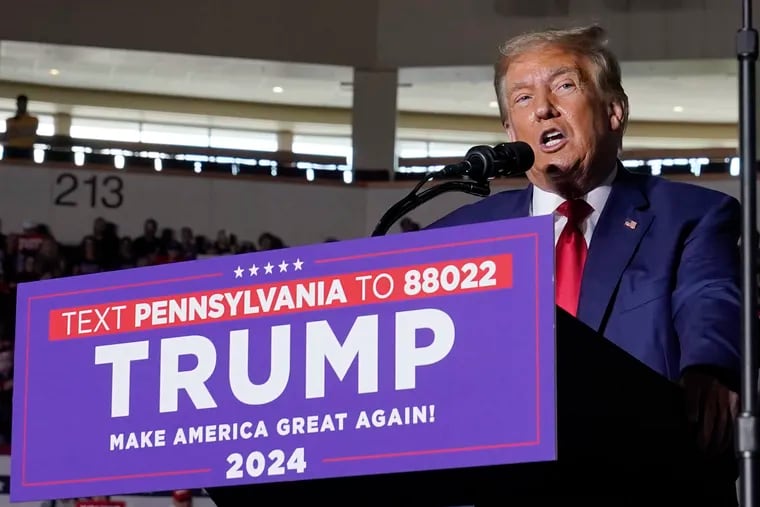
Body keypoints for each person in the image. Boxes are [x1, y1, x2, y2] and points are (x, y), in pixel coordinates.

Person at [428, 25, 740, 504]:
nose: (543, 108)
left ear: (614, 111)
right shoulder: (457, 237)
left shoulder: (692, 216)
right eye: (522, 98)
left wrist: (711, 368)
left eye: (564, 86)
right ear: (511, 132)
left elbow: (709, 296)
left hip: (645, 482)